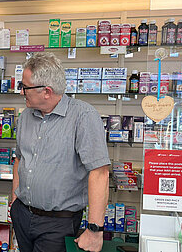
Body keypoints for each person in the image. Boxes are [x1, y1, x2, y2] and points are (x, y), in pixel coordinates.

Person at [10, 53, 110, 252]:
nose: (21, 92)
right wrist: (14, 203)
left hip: (57, 223)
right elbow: (20, 160)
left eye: (25, 87)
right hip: (22, 214)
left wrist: (95, 230)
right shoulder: (25, 117)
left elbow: (100, 173)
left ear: (46, 91)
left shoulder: (83, 116)